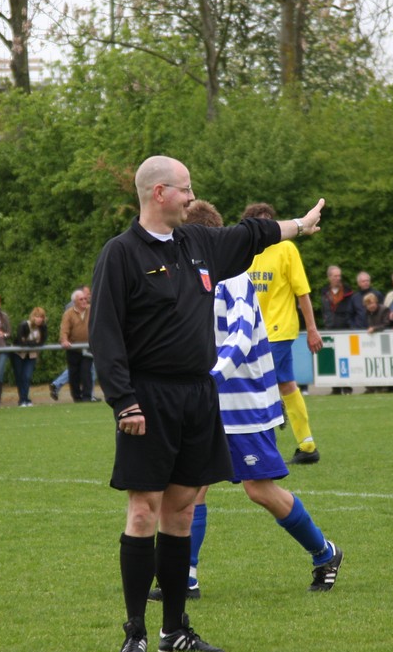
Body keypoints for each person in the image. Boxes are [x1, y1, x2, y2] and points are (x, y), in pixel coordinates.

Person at [89, 154, 324, 652]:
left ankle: (175, 629)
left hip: (199, 397)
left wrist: (299, 226)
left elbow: (252, 233)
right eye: (186, 189)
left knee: (180, 512)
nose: (192, 198)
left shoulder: (197, 244)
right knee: (143, 511)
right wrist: (124, 402)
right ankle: (135, 631)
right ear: (159, 193)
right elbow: (104, 335)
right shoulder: (121, 254)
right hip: (147, 400)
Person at [148, 200, 341, 602]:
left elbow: (238, 337)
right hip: (209, 401)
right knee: (192, 488)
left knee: (259, 489)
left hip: (246, 403)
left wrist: (211, 376)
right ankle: (184, 578)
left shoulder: (234, 277)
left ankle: (325, 553)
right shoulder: (189, 274)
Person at [242, 202, 324, 465]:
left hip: (279, 330)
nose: (267, 226)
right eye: (261, 221)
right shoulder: (245, 252)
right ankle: (307, 446)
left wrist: (312, 329)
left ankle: (263, 451)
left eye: (270, 220)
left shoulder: (286, 248)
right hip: (254, 333)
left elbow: (302, 292)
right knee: (286, 384)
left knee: (258, 386)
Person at [60, 288, 95, 402]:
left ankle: (87, 397)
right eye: (81, 299)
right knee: (74, 374)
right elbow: (64, 329)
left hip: (88, 348)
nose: (84, 301)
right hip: (73, 349)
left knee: (86, 372)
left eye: (85, 299)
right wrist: (64, 340)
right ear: (75, 301)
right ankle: (76, 397)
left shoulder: (92, 310)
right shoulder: (68, 313)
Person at [10, 307, 47, 407]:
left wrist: (29, 343)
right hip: (18, 354)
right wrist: (33, 343)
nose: (39, 319)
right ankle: (23, 400)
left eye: (41, 317)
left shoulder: (43, 327)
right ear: (33, 317)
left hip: (31, 355)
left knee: (27, 376)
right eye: (37, 316)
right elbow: (21, 341)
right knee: (19, 377)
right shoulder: (24, 325)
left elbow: (41, 342)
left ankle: (25, 399)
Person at [319, 265, 354, 330]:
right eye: (335, 276)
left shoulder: (348, 291)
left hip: (345, 328)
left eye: (339, 276)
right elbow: (324, 310)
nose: (338, 278)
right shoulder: (324, 292)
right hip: (329, 328)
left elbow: (352, 310)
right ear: (329, 277)